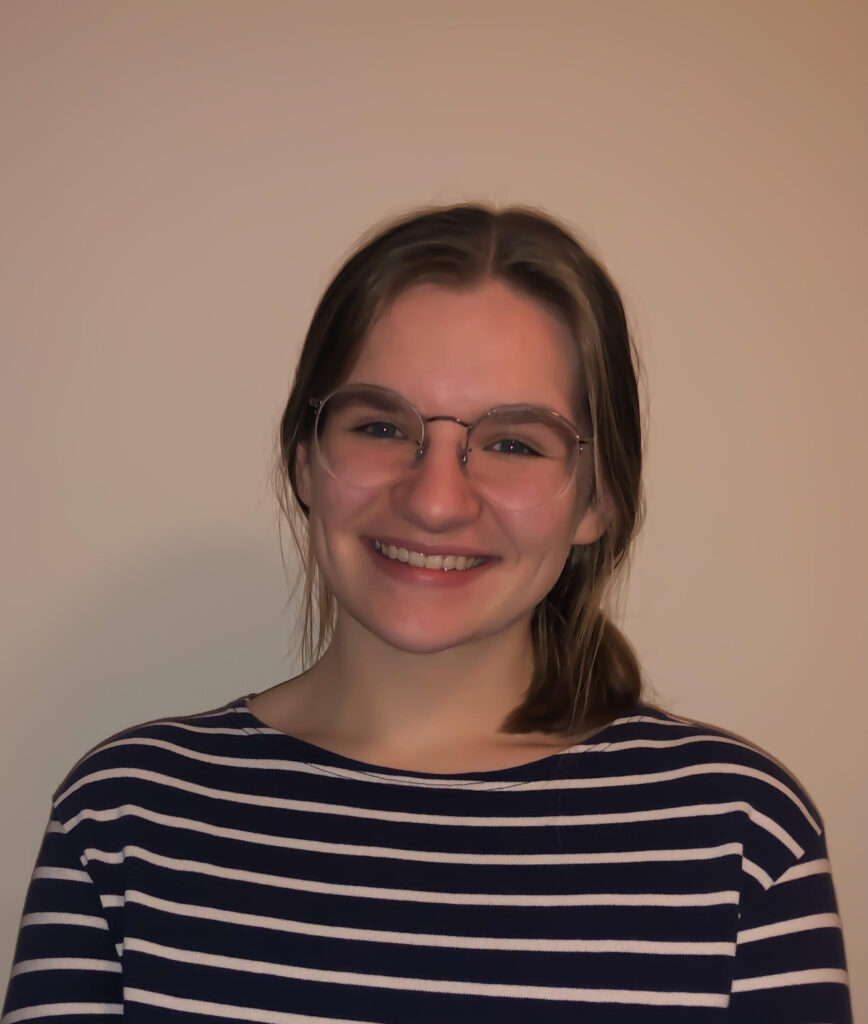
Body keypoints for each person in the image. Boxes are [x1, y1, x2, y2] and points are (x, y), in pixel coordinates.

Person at [3, 205, 851, 1022]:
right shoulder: (125, 819)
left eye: (514, 443)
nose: (436, 500)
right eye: (380, 426)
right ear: (304, 460)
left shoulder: (737, 836)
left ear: (597, 501)